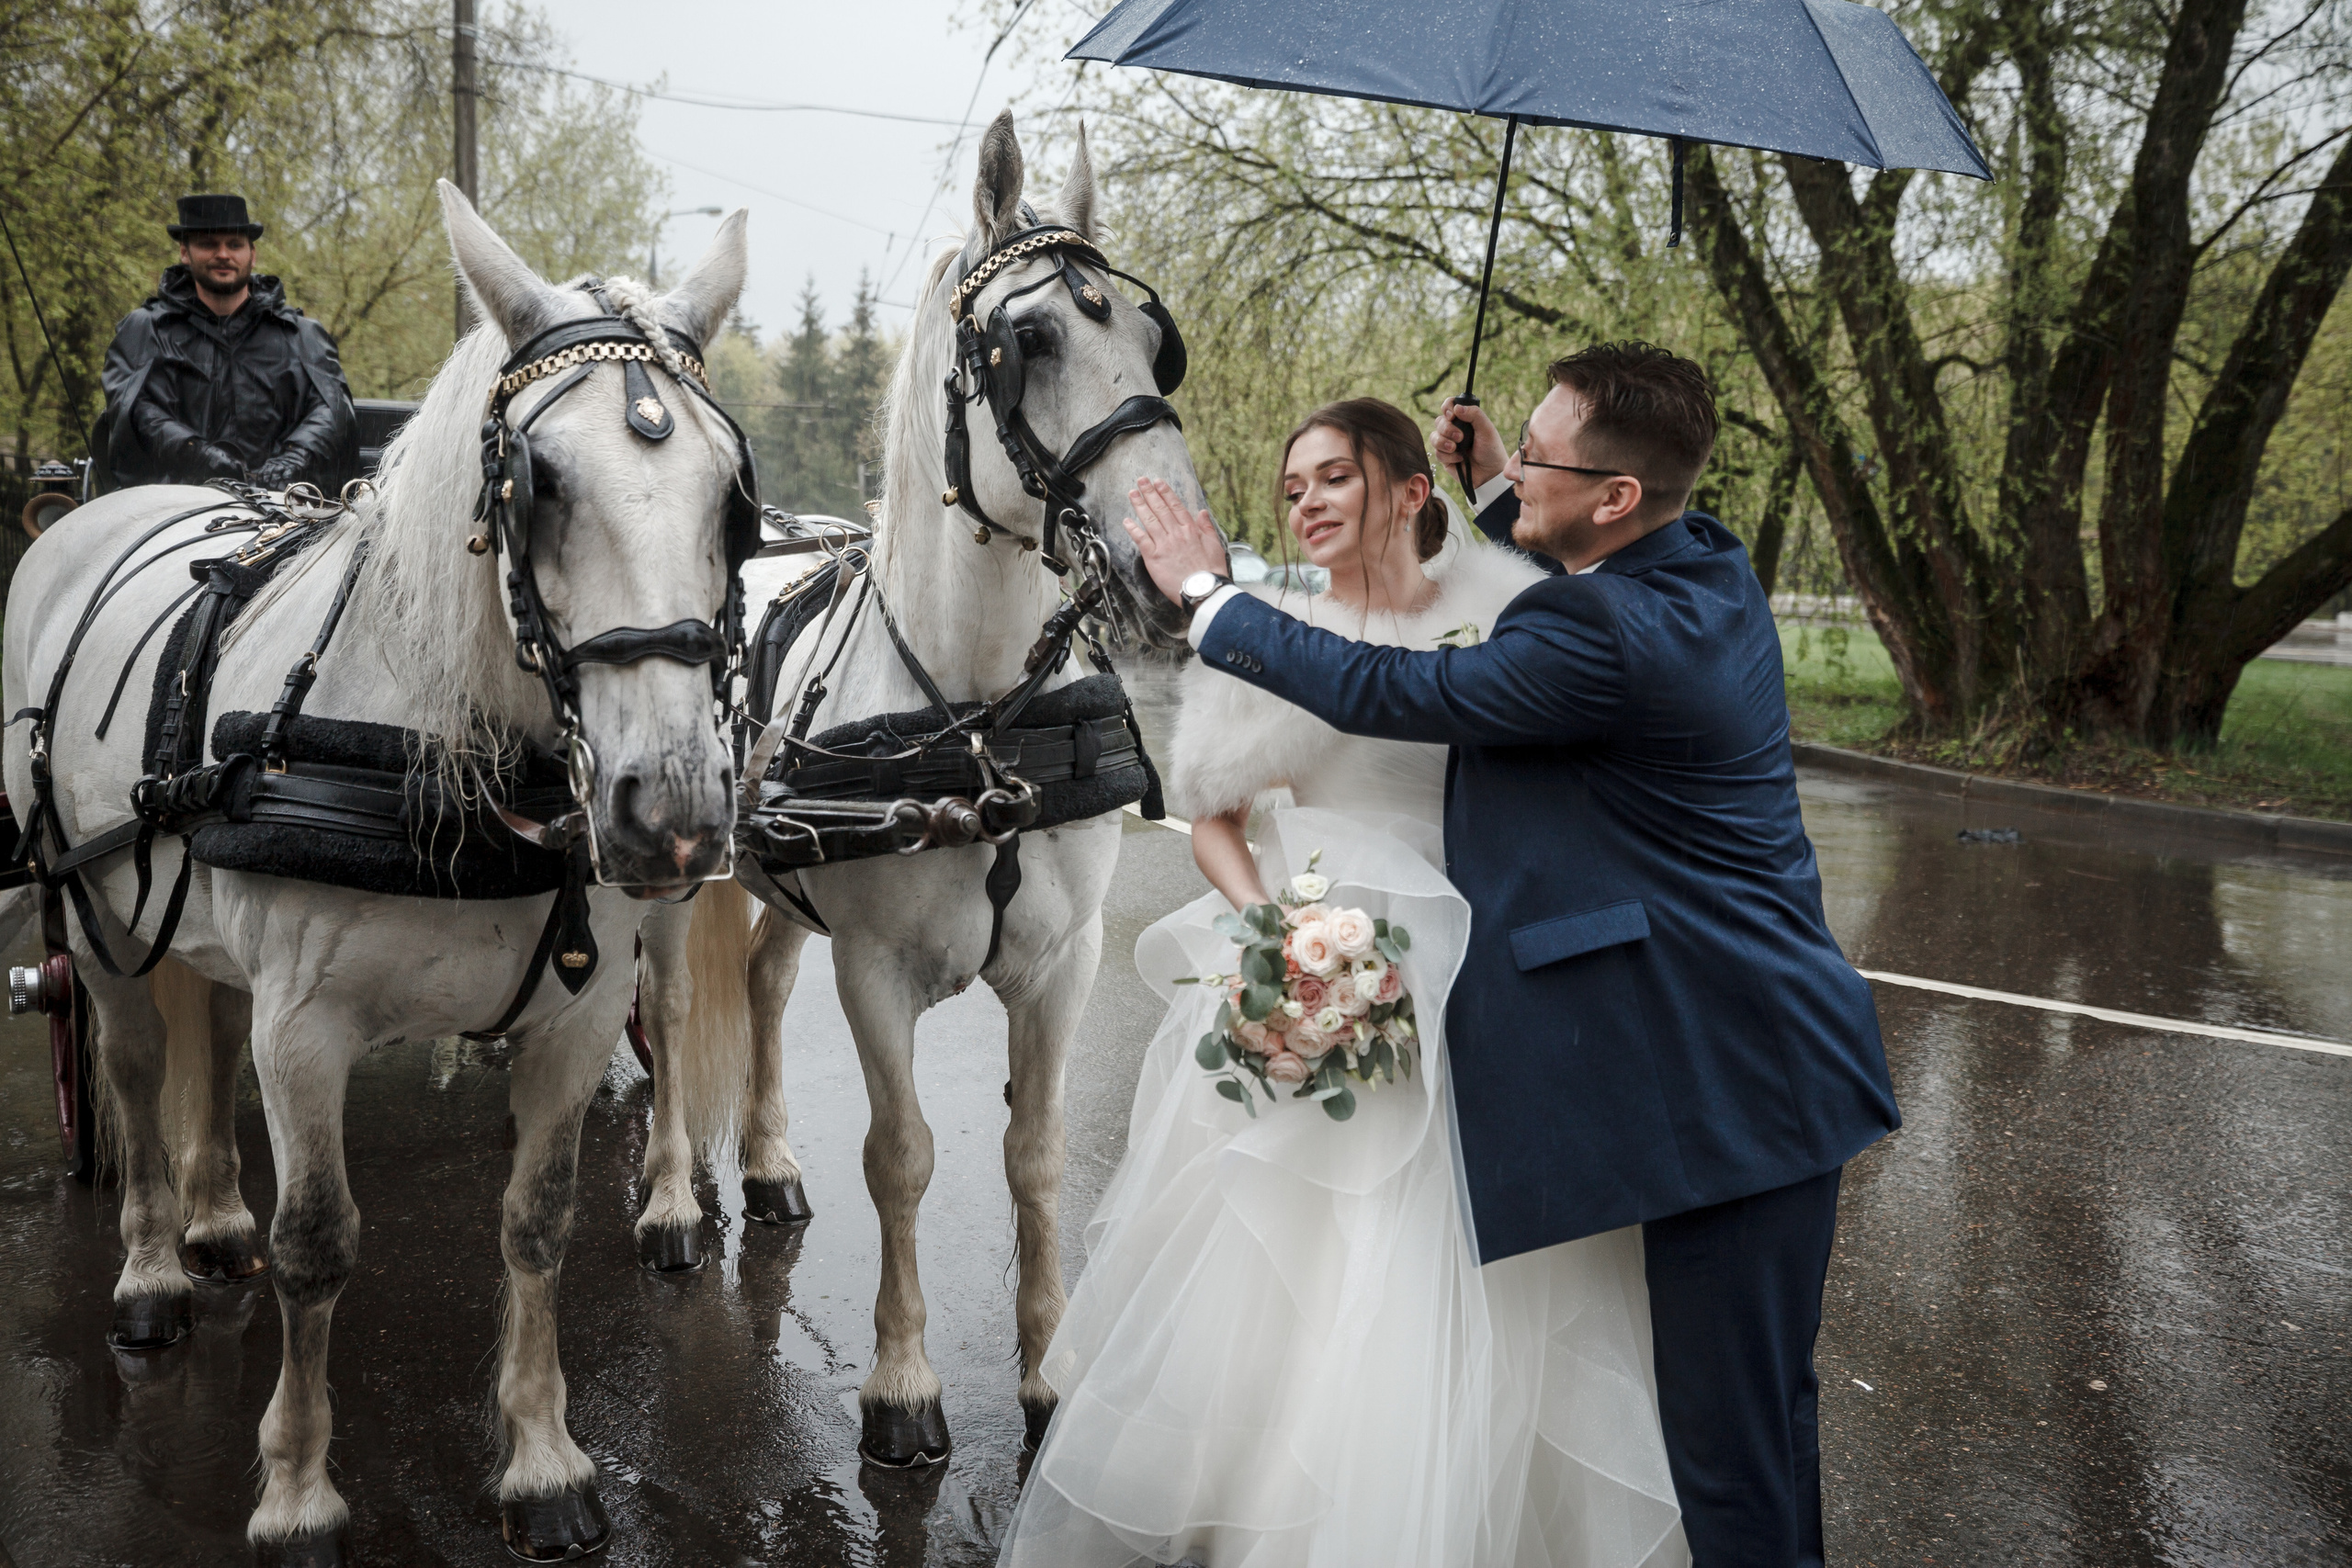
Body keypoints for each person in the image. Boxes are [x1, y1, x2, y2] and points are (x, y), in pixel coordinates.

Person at [1112, 344, 1900, 1568]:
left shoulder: (1596, 634)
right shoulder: (1707, 565)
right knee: (1760, 1421)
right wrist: (1505, 493)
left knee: (1726, 1450)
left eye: (1539, 453)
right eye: (1517, 443)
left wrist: (1210, 596)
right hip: (1769, 1057)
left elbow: (1391, 687)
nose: (1514, 459)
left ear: (1616, 494)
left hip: (1724, 1088)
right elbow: (1572, 575)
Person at [1002, 398, 1687, 1568]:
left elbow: (1564, 589)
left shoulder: (1502, 612)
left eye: (1334, 477)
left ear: (1412, 491)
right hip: (1325, 970)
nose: (1307, 503)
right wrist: (1275, 934)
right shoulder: (1264, 632)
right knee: (1309, 1252)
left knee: (1472, 1252)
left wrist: (1495, 481)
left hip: (1479, 976)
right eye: (1292, 489)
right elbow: (1211, 817)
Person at [99, 193, 356, 493]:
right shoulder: (145, 330)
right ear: (185, 252)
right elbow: (134, 408)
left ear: (252, 254)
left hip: (284, 503)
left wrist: (295, 458)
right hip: (171, 503)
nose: (223, 254)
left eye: (234, 245)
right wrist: (197, 454)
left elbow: (332, 408)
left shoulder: (302, 335)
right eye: (208, 244)